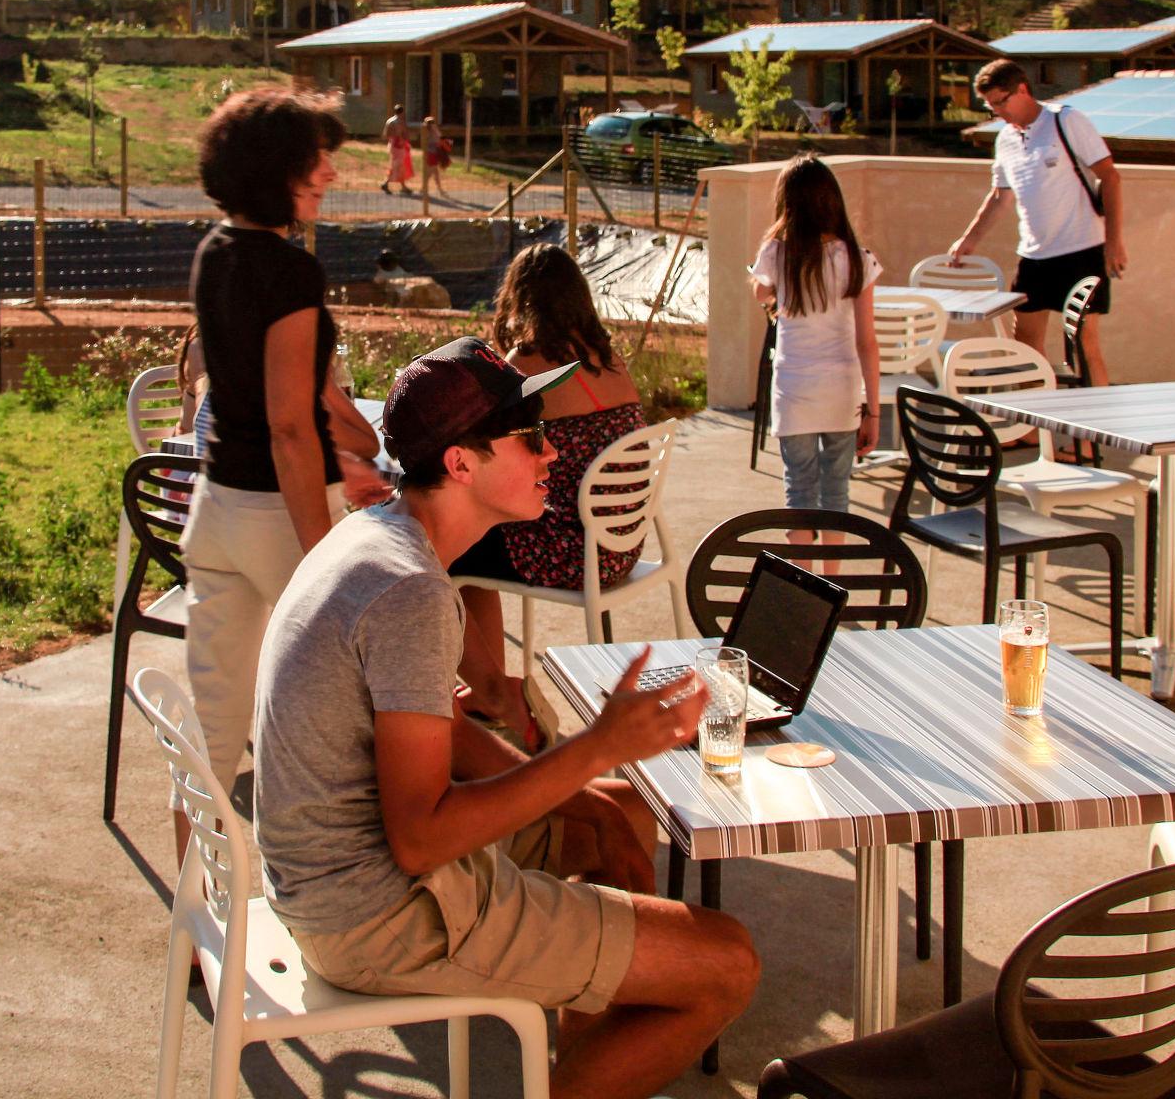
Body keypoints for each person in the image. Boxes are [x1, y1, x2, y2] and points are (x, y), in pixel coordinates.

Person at [252, 338, 760, 1099]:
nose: (554, 453)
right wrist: (595, 749)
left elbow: (443, 735)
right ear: (461, 463)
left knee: (619, 815)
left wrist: (586, 789)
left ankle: (585, 1031)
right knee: (727, 963)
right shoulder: (410, 593)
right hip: (375, 916)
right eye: (530, 437)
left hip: (329, 883)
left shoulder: (379, 539)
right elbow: (421, 839)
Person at [178, 88, 385, 832]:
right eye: (315, 161)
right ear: (278, 172)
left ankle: (199, 923)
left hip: (215, 514)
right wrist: (322, 557)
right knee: (345, 721)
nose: (329, 173)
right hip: (278, 515)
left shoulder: (212, 253)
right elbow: (291, 428)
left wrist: (360, 449)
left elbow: (294, 403)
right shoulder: (292, 274)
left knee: (210, 733)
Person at [451, 245, 645, 746]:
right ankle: (487, 685)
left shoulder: (528, 363)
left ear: (520, 299)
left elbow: (483, 446)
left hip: (570, 552)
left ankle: (488, 690)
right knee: (476, 546)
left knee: (453, 547)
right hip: (619, 544)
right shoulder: (608, 359)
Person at [946, 59, 1126, 385]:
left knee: (1084, 345)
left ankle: (1094, 434)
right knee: (1025, 345)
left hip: (1082, 250)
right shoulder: (1005, 139)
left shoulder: (1065, 121)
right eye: (991, 106)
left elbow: (1110, 178)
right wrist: (969, 239)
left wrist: (1113, 243)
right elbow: (1001, 195)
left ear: (1023, 90)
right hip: (1034, 256)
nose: (999, 111)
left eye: (1002, 101)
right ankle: (1032, 431)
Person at [749, 157, 882, 543]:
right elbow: (867, 343)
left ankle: (806, 593)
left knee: (800, 492)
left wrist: (773, 287)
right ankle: (834, 587)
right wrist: (872, 410)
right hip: (841, 388)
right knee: (836, 495)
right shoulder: (857, 258)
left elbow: (760, 290)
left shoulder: (777, 252)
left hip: (794, 388)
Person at [382, 103, 415, 195]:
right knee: (397, 166)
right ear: (402, 112)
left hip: (392, 144)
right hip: (399, 146)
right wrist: (402, 140)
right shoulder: (400, 122)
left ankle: (403, 186)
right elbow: (405, 134)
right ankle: (386, 182)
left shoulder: (389, 121)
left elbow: (385, 135)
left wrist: (393, 139)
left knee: (399, 166)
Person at [421, 113, 452, 196]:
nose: (433, 124)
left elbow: (440, 138)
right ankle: (423, 188)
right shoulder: (429, 132)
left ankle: (440, 190)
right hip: (431, 154)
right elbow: (439, 137)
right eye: (431, 123)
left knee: (435, 173)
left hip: (434, 153)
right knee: (431, 172)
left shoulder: (433, 131)